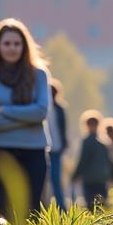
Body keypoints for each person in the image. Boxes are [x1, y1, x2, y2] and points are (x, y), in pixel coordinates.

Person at [0, 18, 50, 225]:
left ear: (24, 46)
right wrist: (27, 118)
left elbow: (41, 112)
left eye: (17, 44)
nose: (12, 48)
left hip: (34, 151)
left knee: (33, 210)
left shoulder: (39, 75)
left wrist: (6, 110)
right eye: (7, 43)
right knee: (6, 212)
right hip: (2, 151)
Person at [71, 110, 113, 211]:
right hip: (102, 178)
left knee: (90, 204)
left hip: (89, 179)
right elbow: (109, 161)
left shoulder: (86, 141)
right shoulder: (104, 142)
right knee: (101, 204)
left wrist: (75, 175)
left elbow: (83, 160)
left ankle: (93, 223)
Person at [45, 79, 69, 209]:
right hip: (44, 149)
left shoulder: (60, 109)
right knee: (42, 182)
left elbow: (63, 128)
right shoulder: (43, 109)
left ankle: (61, 208)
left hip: (57, 149)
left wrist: (64, 145)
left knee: (56, 181)